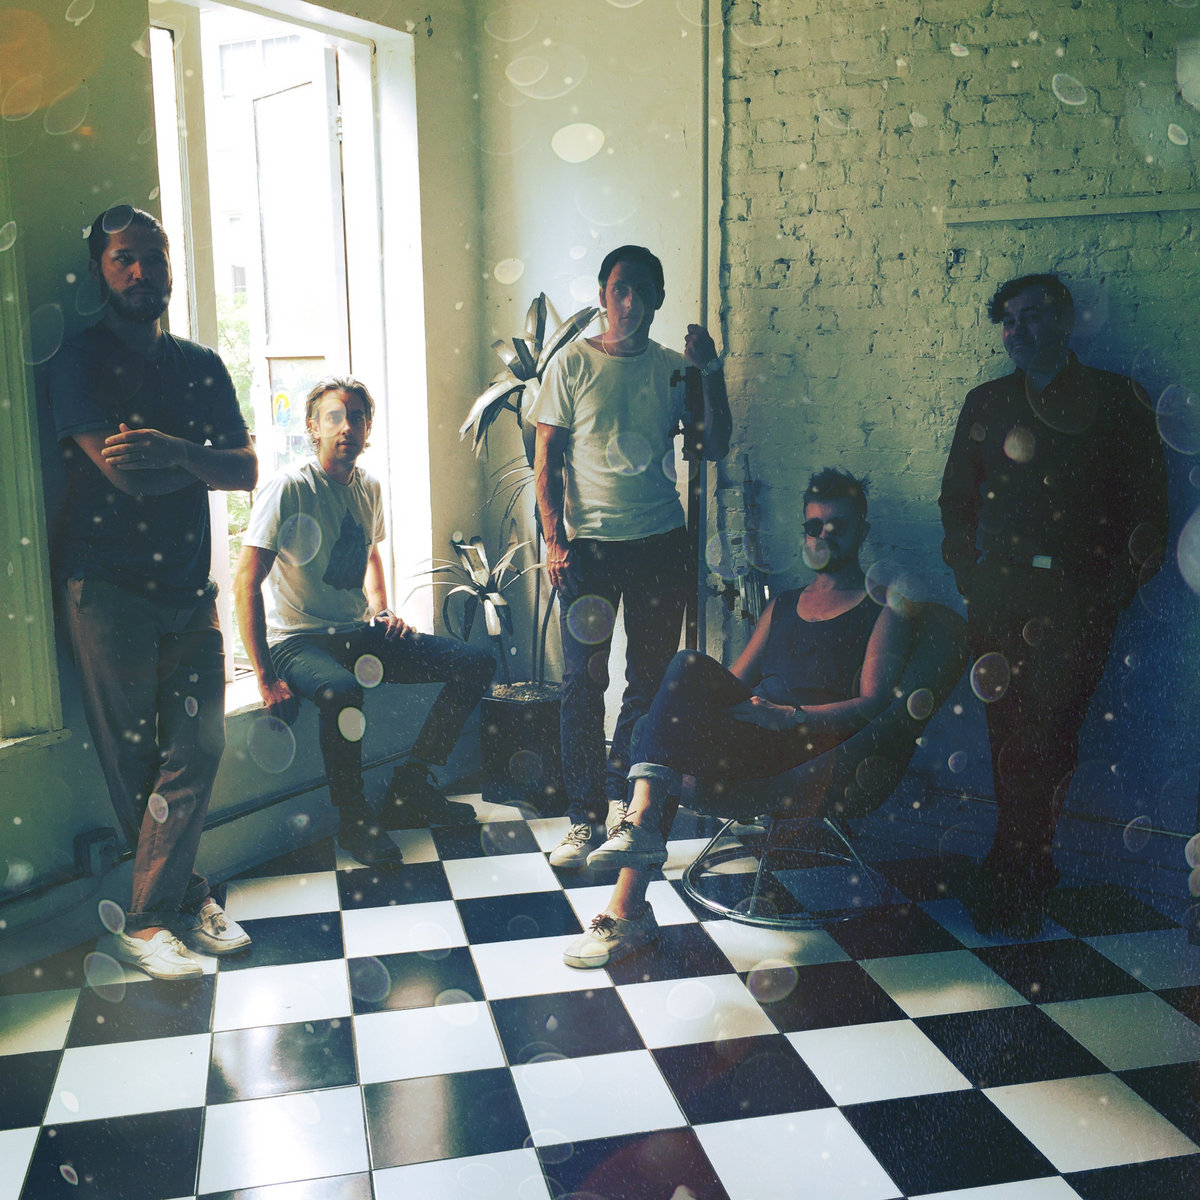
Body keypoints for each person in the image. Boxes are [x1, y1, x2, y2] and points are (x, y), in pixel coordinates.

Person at [564, 469, 914, 967]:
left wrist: (789, 716)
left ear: (862, 530)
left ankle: (631, 877)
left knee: (676, 685)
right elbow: (732, 683)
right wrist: (713, 712)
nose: (824, 536)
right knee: (664, 706)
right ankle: (629, 891)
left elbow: (872, 704)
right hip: (755, 733)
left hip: (805, 746)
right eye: (813, 526)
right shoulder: (784, 604)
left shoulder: (880, 608)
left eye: (837, 525)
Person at [47, 205, 258, 981]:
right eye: (123, 259)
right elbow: (124, 477)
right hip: (105, 589)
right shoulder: (78, 360)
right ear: (100, 271)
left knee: (199, 746)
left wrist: (174, 449)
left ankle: (157, 911)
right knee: (135, 762)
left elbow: (246, 470)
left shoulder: (201, 365)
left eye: (154, 257)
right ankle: (165, 913)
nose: (141, 272)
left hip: (189, 587)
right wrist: (201, 462)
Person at [939, 273, 1168, 936]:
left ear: (1066, 320)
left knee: (1051, 734)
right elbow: (956, 500)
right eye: (1008, 321)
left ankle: (1016, 870)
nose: (1018, 331)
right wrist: (971, 578)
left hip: (1077, 600)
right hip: (1000, 597)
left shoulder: (1118, 400)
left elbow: (1151, 508)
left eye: (1033, 316)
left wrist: (1112, 595)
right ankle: (1020, 869)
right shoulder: (986, 402)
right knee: (1006, 735)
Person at [235, 377, 496, 866]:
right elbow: (245, 582)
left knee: (476, 663)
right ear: (313, 427)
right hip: (297, 641)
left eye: (356, 417)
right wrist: (266, 677)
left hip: (357, 633)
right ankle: (354, 820)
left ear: (367, 428)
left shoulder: (368, 486)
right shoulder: (289, 487)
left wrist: (383, 610)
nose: (346, 427)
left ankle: (411, 786)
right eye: (334, 417)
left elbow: (369, 554)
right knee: (341, 691)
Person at [530, 245, 732, 868]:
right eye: (620, 289)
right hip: (588, 551)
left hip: (659, 547)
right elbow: (546, 461)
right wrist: (555, 541)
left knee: (646, 682)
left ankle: (625, 809)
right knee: (581, 684)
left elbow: (714, 445)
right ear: (602, 296)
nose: (631, 301)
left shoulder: (673, 369)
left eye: (643, 290)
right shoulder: (571, 364)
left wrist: (709, 370)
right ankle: (583, 818)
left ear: (658, 299)